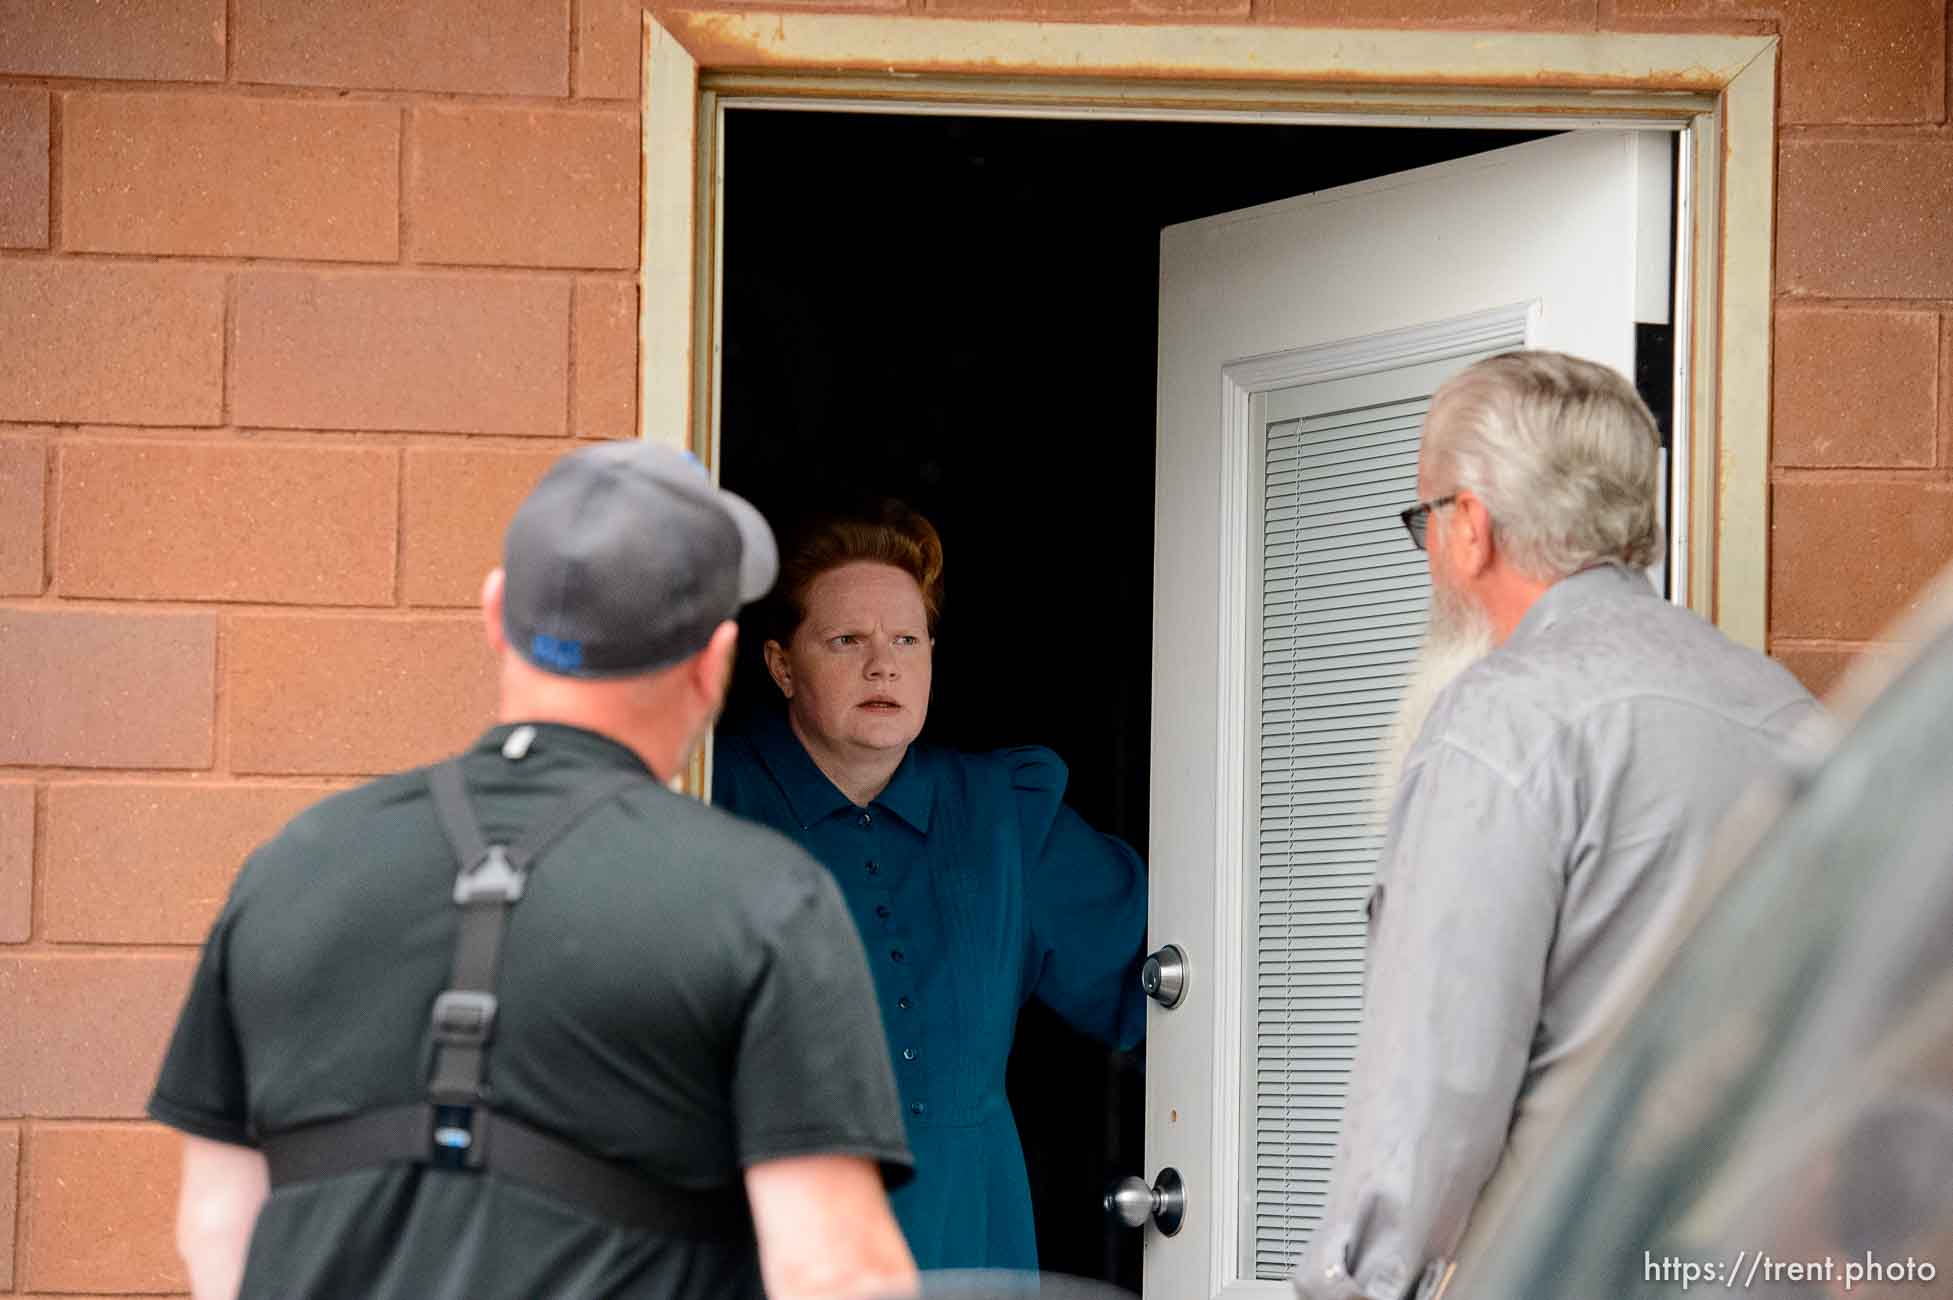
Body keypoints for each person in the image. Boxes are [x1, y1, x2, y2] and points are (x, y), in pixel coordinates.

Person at [149, 442, 919, 1300]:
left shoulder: (290, 865)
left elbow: (216, 1225)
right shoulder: (766, 901)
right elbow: (834, 1271)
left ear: (496, 616)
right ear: (716, 661)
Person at [1294, 351, 1820, 1300]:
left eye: (1425, 520)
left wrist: (1356, 1282)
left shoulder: (1501, 719)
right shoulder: (1785, 711)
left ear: (1472, 530)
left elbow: (1437, 1085)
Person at [711, 503, 1148, 1273]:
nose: (883, 665)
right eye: (847, 640)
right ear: (782, 665)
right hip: (767, 1240)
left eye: (905, 641)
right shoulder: (710, 799)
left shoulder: (1004, 811)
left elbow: (1166, 981)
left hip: (968, 1233)